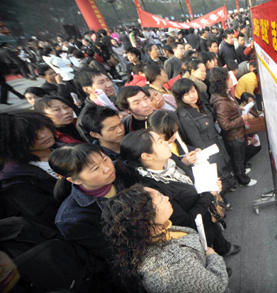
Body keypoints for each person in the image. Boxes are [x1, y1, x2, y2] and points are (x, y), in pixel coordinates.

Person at [116, 129, 241, 256]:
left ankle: (224, 248)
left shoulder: (170, 160)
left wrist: (208, 183)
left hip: (206, 213)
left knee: (216, 231)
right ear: (147, 156)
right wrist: (210, 194)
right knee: (208, 249)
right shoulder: (153, 190)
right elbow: (186, 221)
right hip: (197, 229)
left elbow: (190, 180)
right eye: (160, 142)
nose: (166, 143)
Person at [102, 184, 230, 292]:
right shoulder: (170, 270)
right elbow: (216, 286)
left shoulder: (158, 230)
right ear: (146, 219)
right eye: (160, 198)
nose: (167, 197)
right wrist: (213, 257)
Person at [49, 144, 125, 284]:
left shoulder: (122, 171)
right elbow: (109, 256)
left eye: (105, 159)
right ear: (75, 180)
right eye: (96, 168)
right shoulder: (72, 218)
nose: (107, 168)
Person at [173, 78, 235, 205]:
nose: (192, 96)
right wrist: (205, 158)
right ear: (180, 97)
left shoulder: (199, 104)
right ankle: (220, 202)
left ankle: (224, 194)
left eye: (193, 91)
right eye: (186, 94)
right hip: (207, 149)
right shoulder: (185, 115)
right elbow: (196, 141)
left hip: (216, 142)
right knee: (216, 176)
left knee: (224, 171)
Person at [0, 112, 62, 228]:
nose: (43, 135)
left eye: (42, 128)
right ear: (14, 142)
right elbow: (51, 216)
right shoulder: (16, 181)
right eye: (31, 135)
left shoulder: (66, 149)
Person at [209, 67, 258, 186]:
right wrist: (242, 118)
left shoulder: (224, 94)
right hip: (234, 136)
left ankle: (241, 171)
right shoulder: (221, 102)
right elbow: (225, 125)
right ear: (222, 82)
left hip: (237, 133)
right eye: (229, 78)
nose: (232, 80)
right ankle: (243, 179)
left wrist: (238, 108)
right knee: (238, 158)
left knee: (240, 158)